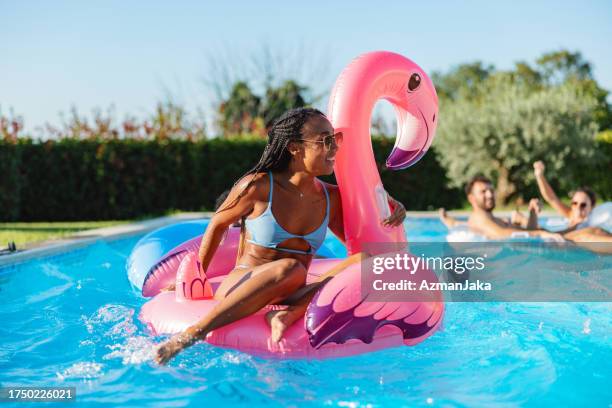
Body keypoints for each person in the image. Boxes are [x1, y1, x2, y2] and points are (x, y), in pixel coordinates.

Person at [154, 108, 406, 364]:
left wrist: (384, 204)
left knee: (367, 261)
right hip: (243, 285)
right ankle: (193, 333)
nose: (333, 148)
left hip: (295, 293)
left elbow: (355, 248)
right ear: (295, 148)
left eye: (335, 140)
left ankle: (289, 314)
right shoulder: (259, 186)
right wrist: (200, 274)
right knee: (291, 269)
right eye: (324, 140)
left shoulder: (332, 198)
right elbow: (217, 224)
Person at [440, 175, 563, 241]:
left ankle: (451, 221)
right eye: (483, 192)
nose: (489, 194)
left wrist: (532, 213)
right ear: (471, 198)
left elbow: (528, 232)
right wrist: (540, 234)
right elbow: (500, 234)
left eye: (491, 190)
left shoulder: (494, 219)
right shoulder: (479, 218)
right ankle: (450, 221)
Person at [532, 160, 611, 241]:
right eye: (575, 203)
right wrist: (539, 176)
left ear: (592, 207)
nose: (578, 207)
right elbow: (551, 198)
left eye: (583, 205)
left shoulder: (590, 222)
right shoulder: (570, 214)